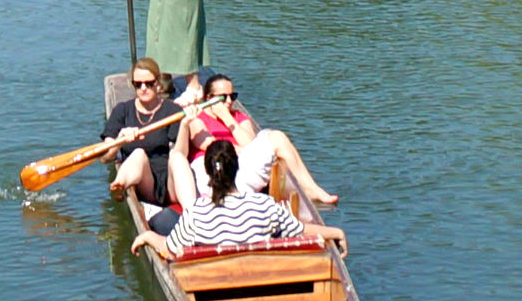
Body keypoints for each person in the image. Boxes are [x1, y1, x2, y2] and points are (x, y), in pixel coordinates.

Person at [131, 140, 347, 260]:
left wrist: (148, 236)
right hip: (261, 285)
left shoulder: (196, 214)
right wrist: (336, 232)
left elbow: (170, 248)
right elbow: (300, 229)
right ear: (236, 169)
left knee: (165, 219)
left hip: (215, 292)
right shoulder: (264, 205)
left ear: (207, 173)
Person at [168, 73, 337, 207]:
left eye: (232, 96)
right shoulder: (198, 119)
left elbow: (250, 144)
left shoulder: (238, 117)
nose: (228, 101)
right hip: (213, 173)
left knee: (276, 136)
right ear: (208, 98)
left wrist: (227, 118)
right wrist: (240, 148)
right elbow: (212, 146)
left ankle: (311, 189)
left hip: (241, 171)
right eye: (222, 97)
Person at [101, 58, 183, 233]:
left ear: (158, 84)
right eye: (138, 84)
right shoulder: (122, 111)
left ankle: (194, 215)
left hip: (168, 181)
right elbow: (106, 156)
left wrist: (187, 123)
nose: (143, 88)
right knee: (138, 153)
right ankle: (120, 185)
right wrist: (120, 140)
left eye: (149, 83)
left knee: (177, 158)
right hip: (144, 182)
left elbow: (180, 149)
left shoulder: (173, 111)